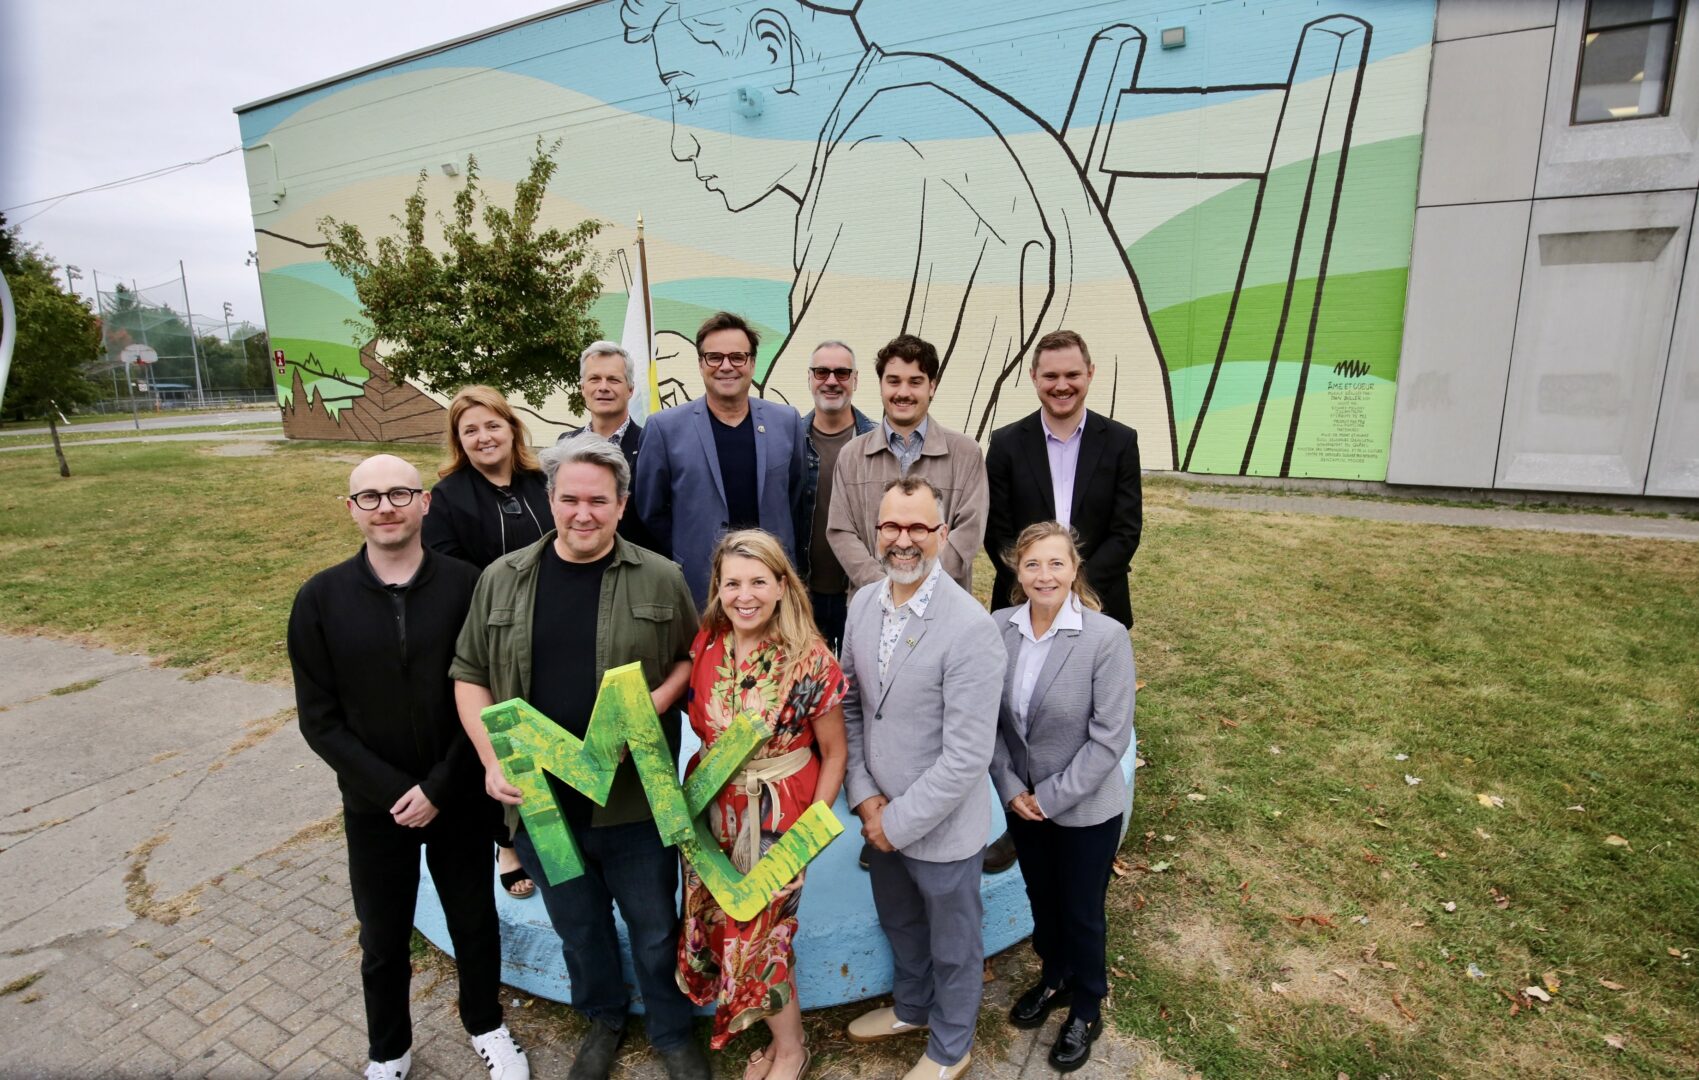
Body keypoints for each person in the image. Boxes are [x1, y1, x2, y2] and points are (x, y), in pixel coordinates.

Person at [619, 0, 1175, 463]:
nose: (680, 141)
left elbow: (824, 418)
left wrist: (694, 399)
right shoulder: (896, 109)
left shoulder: (892, 150)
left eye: (687, 95)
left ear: (772, 48)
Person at [449, 438, 709, 1080]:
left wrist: (654, 701)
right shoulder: (500, 578)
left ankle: (672, 1031)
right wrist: (489, 758)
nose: (583, 513)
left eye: (599, 500)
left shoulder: (661, 576)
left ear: (621, 506)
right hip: (542, 807)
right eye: (570, 498)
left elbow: (689, 658)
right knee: (579, 926)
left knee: (653, 927)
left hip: (632, 803)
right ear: (551, 498)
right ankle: (603, 1018)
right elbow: (468, 674)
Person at [288, 454, 529, 1080]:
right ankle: (388, 1048)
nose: (385, 506)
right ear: (351, 511)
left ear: (425, 503)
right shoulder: (319, 599)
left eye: (399, 493)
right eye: (369, 497)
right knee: (383, 937)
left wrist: (440, 786)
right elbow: (319, 719)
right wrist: (397, 791)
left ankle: (486, 1023)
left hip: (458, 794)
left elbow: (488, 689)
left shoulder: (468, 584)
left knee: (473, 921)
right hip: (376, 805)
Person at [839, 476, 1004, 1080]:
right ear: (875, 531)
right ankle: (913, 1008)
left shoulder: (970, 628)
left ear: (941, 534)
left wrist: (896, 825)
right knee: (901, 921)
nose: (903, 540)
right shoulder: (862, 604)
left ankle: (951, 1046)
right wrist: (865, 799)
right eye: (891, 526)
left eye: (917, 528)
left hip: (938, 827)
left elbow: (966, 756)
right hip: (878, 812)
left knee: (954, 945)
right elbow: (851, 707)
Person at [676, 530, 848, 1080]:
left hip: (777, 810)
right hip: (710, 806)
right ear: (717, 589)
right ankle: (778, 1041)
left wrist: (803, 846)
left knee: (765, 932)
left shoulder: (810, 660)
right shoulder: (707, 641)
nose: (743, 595)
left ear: (781, 585)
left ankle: (792, 1051)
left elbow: (835, 754)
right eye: (732, 583)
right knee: (729, 923)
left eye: (757, 581)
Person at [990, 522, 1135, 1073]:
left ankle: (1088, 1002)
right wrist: (1010, 789)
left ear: (1074, 570)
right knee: (1041, 898)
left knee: (1080, 909)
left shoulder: (1105, 637)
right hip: (1022, 802)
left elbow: (1108, 738)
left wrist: (1048, 798)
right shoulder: (999, 627)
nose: (1043, 575)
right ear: (1015, 571)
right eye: (1032, 565)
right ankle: (1055, 976)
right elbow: (991, 725)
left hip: (1082, 807)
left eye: (1055, 564)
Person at [423, 386, 549, 900]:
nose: (483, 437)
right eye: (469, 430)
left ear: (511, 427)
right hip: (492, 632)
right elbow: (448, 570)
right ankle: (508, 844)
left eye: (492, 425)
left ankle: (555, 823)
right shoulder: (449, 497)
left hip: (554, 622)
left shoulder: (541, 481)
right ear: (458, 440)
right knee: (502, 736)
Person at [636, 311, 809, 609]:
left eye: (737, 357)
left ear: (753, 363)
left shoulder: (787, 422)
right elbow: (651, 511)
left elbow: (795, 497)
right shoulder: (664, 428)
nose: (726, 366)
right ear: (701, 363)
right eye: (714, 357)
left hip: (771, 585)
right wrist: (684, 552)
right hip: (698, 586)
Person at [985, 330, 1143, 628]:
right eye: (1050, 376)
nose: (1061, 386)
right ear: (1033, 376)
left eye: (1072, 374)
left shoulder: (1120, 442)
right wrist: (1038, 585)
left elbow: (1126, 530)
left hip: (1099, 601)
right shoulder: (1005, 444)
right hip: (1021, 602)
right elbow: (997, 533)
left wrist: (1074, 588)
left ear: (1090, 373)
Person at [825, 335, 987, 597]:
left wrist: (918, 586)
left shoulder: (966, 454)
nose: (903, 392)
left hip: (942, 605)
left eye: (915, 382)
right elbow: (841, 531)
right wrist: (884, 588)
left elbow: (969, 531)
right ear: (880, 386)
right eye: (893, 381)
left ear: (932, 386)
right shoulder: (851, 456)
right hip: (872, 605)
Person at [798, 340, 874, 651]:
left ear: (855, 379)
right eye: (822, 372)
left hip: (860, 590)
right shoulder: (787, 440)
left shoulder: (877, 443)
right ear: (810, 378)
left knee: (861, 689)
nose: (831, 381)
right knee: (807, 689)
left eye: (842, 373)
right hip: (803, 594)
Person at [556, 341, 660, 552]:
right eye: (594, 379)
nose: (603, 387)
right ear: (583, 388)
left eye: (613, 379)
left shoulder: (651, 444)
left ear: (630, 389)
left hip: (634, 568)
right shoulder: (565, 443)